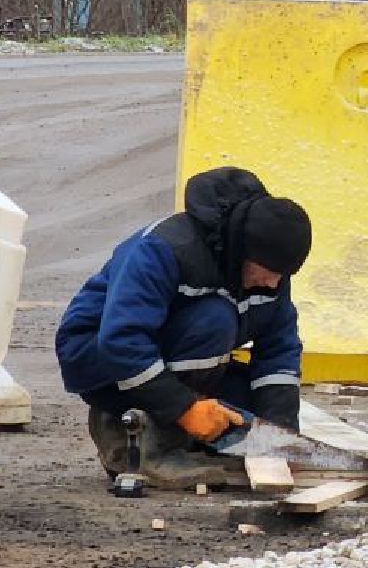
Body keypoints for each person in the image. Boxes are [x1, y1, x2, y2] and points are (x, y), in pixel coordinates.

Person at [56, 166, 312, 489]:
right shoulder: (165, 249)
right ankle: (133, 440)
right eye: (268, 272)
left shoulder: (269, 274)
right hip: (98, 355)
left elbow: (279, 353)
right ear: (244, 251)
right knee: (215, 321)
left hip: (173, 349)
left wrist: (280, 433)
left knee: (244, 414)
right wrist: (185, 409)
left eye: (282, 275)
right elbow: (122, 340)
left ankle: (180, 431)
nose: (272, 282)